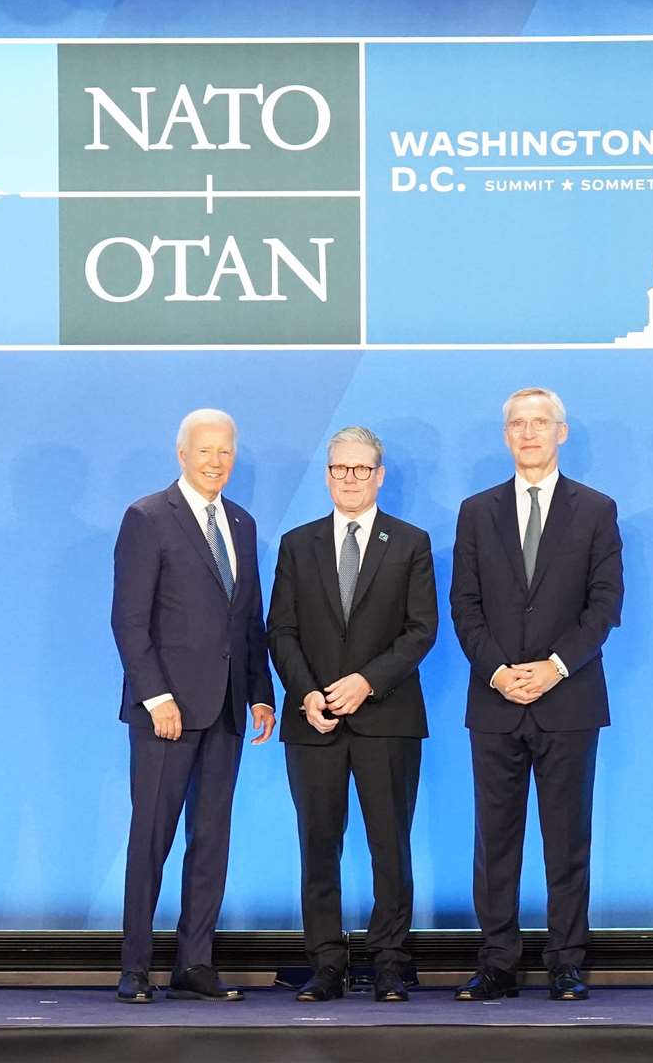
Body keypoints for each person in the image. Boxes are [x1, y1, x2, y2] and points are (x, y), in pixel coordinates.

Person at [449, 387, 624, 1002]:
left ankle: (566, 962)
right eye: (518, 424)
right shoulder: (476, 511)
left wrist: (554, 667)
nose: (529, 433)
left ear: (562, 433)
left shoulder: (597, 510)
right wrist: (498, 671)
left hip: (568, 700)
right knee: (494, 840)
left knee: (567, 837)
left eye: (540, 423)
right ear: (506, 436)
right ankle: (496, 961)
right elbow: (463, 605)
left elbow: (605, 607)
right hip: (494, 701)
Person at [110, 408, 276, 1003]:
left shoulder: (243, 522)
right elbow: (129, 620)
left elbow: (248, 617)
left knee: (211, 840)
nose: (216, 462)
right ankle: (134, 968)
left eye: (226, 452)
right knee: (151, 838)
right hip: (166, 713)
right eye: (205, 451)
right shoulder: (148, 517)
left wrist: (261, 691)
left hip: (229, 711)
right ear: (181, 453)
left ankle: (194, 963)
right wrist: (157, 697)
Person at [268, 427, 438, 1003]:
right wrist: (306, 693)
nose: (350, 479)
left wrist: (367, 682)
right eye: (340, 469)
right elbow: (281, 630)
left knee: (389, 845)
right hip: (312, 722)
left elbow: (421, 631)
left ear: (380, 475)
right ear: (327, 474)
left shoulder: (411, 542)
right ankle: (326, 964)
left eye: (361, 470)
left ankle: (389, 961)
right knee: (318, 845)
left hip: (387, 720)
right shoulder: (297, 543)